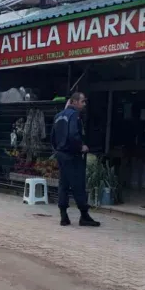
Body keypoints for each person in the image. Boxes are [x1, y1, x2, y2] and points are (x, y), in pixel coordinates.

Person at [50, 92, 100, 227]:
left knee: (63, 185)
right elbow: (73, 134)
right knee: (78, 185)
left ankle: (63, 216)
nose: (84, 104)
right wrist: (81, 146)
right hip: (72, 155)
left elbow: (53, 137)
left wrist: (58, 150)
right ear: (74, 102)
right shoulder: (74, 115)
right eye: (82, 101)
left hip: (61, 154)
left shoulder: (58, 116)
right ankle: (84, 216)